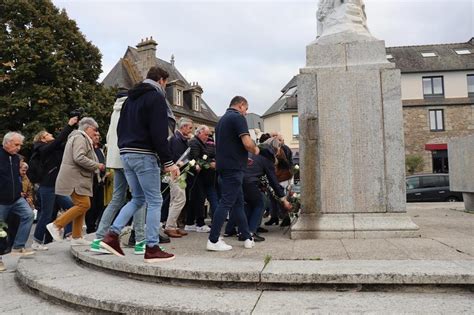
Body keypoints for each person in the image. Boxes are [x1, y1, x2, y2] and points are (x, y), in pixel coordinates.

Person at [100, 66, 180, 263]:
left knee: (137, 198)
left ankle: (112, 235)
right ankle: (152, 247)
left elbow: (120, 128)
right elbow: (159, 132)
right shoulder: (156, 98)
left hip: (126, 153)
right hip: (144, 154)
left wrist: (124, 147)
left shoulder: (129, 100)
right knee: (155, 200)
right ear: (161, 80)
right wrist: (168, 162)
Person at [90, 89, 147, 255]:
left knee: (117, 199)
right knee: (139, 199)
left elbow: (109, 137)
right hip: (128, 156)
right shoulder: (131, 109)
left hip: (114, 159)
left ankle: (98, 238)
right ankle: (140, 242)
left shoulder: (114, 112)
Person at [206, 96, 259, 251]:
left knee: (238, 203)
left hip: (225, 166)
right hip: (234, 169)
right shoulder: (238, 118)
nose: (246, 112)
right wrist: (256, 150)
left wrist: (243, 159)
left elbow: (228, 146)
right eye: (246, 109)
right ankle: (213, 240)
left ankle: (247, 237)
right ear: (241, 105)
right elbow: (247, 143)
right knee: (227, 203)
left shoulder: (221, 121)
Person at [46, 118, 105, 245]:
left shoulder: (78, 137)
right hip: (76, 179)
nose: (96, 133)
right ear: (87, 128)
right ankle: (57, 225)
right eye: (94, 130)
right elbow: (79, 157)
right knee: (84, 205)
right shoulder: (80, 138)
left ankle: (77, 236)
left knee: (83, 205)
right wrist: (97, 165)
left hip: (78, 178)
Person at [32, 117, 77, 249]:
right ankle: (36, 242)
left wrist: (75, 127)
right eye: (48, 134)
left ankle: (69, 234)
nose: (51, 135)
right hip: (47, 186)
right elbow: (58, 140)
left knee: (72, 207)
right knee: (46, 214)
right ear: (42, 139)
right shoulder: (41, 149)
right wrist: (68, 125)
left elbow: (64, 142)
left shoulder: (54, 149)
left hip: (57, 186)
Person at [0, 132, 35, 256]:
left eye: (20, 145)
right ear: (7, 142)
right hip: (2, 200)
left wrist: (20, 190)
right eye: (16, 144)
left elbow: (17, 176)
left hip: (16, 198)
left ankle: (18, 246)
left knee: (29, 215)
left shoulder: (16, 158)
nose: (19, 147)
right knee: (1, 230)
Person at [164, 118, 193, 238]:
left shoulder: (179, 139)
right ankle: (170, 226)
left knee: (175, 199)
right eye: (190, 127)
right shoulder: (176, 140)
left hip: (177, 172)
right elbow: (177, 157)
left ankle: (173, 225)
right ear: (184, 127)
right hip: (176, 173)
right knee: (180, 199)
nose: (191, 130)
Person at [185, 125, 214, 233]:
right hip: (196, 175)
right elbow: (195, 158)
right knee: (199, 199)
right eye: (206, 134)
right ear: (199, 133)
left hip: (199, 175)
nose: (207, 137)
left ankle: (190, 222)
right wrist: (208, 164)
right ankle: (199, 223)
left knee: (195, 199)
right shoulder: (194, 142)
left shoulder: (199, 142)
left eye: (208, 135)